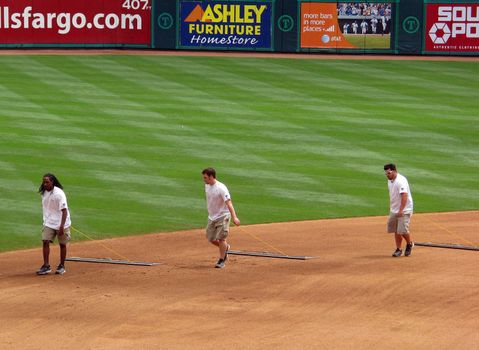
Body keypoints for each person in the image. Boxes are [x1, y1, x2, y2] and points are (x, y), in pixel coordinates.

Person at [202, 168, 240, 269]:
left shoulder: (221, 188)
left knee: (221, 238)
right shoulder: (207, 185)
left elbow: (229, 203)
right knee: (210, 238)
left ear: (211, 177)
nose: (204, 179)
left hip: (223, 216)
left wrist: (235, 217)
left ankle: (222, 259)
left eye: (205, 177)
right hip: (212, 217)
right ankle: (226, 248)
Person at [37, 173, 71, 275]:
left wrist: (61, 227)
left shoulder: (59, 194)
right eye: (44, 182)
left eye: (47, 182)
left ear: (52, 182)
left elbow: (64, 211)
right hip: (49, 222)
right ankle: (46, 265)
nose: (45, 184)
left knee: (62, 244)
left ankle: (62, 266)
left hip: (62, 223)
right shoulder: (43, 192)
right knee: (45, 241)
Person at [384, 164, 414, 257]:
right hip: (394, 209)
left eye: (388, 173)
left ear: (394, 171)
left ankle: (409, 244)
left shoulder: (400, 181)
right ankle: (399, 249)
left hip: (404, 209)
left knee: (402, 230)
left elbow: (404, 196)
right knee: (396, 229)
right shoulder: (390, 180)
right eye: (386, 173)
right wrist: (393, 208)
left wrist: (401, 210)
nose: (387, 175)